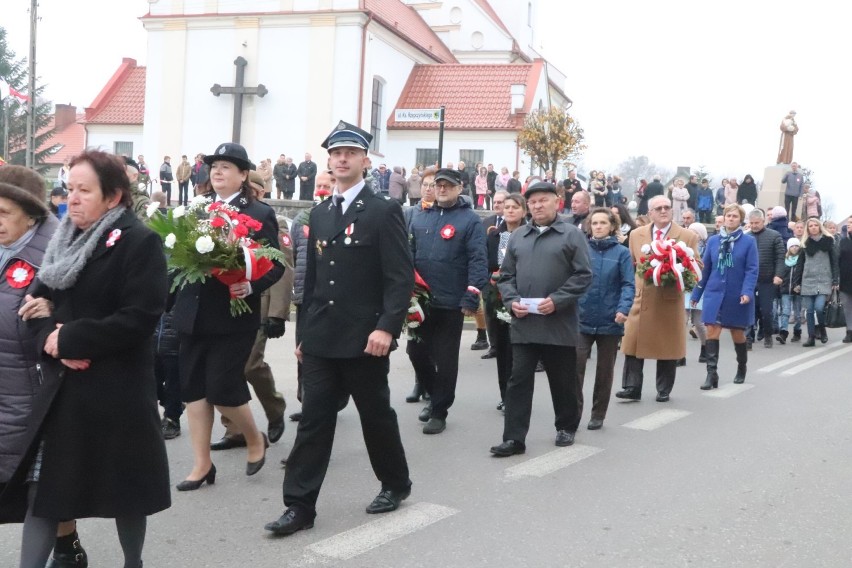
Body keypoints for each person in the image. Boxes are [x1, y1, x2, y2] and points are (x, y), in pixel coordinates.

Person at [9, 150, 170, 568]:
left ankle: (132, 561)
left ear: (113, 196)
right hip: (66, 390)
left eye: (84, 190)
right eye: (70, 188)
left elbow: (140, 317)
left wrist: (73, 339)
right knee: (46, 493)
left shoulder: (139, 240)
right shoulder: (64, 239)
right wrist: (54, 341)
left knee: (126, 494)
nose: (72, 199)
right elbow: (34, 304)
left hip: (118, 391)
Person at [264, 121, 413, 536]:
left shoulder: (384, 211)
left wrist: (386, 328)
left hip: (366, 339)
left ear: (366, 161)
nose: (342, 159)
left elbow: (398, 277)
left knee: (375, 416)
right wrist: (303, 337)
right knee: (314, 421)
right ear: (328, 161)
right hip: (322, 337)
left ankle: (395, 483)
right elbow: (312, 281)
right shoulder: (322, 212)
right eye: (336, 153)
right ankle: (299, 506)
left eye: (350, 153)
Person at [172, 143, 285, 491]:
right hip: (193, 312)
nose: (218, 172)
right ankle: (202, 465)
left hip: (231, 315)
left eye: (226, 166)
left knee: (221, 387)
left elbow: (276, 262)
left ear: (243, 174)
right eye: (214, 166)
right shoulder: (195, 208)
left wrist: (251, 286)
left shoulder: (258, 212)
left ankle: (254, 438)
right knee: (193, 389)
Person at [0, 167, 72, 564]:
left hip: (36, 392)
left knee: (38, 492)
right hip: (6, 386)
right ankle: (67, 545)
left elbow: (79, 314)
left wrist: (55, 312)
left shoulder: (53, 256)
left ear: (30, 215)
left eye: (3, 212)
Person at [489, 182, 592, 456]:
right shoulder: (518, 237)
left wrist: (557, 300)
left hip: (559, 323)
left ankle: (566, 426)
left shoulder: (571, 235)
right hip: (525, 323)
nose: (537, 206)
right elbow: (506, 276)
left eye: (543, 201)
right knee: (518, 381)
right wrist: (512, 302)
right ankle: (514, 438)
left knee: (562, 380)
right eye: (533, 202)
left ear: (557, 202)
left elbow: (583, 276)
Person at [209, 171, 292, 451]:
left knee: (249, 365)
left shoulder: (271, 219)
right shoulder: (216, 214)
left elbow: (282, 266)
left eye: (255, 190)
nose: (251, 195)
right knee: (225, 368)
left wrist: (277, 314)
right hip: (223, 302)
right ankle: (234, 430)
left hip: (258, 303)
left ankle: (274, 406)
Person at [408, 168, 488, 434]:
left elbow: (478, 260)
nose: (441, 189)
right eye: (437, 185)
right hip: (420, 301)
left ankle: (440, 410)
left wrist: (471, 295)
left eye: (447, 185)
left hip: (451, 302)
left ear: (459, 188)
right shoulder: (419, 217)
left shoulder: (470, 220)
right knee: (416, 352)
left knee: (445, 358)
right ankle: (433, 395)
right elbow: (408, 254)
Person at [616, 195, 701, 402]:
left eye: (667, 207)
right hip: (641, 298)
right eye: (659, 208)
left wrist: (678, 271)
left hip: (669, 299)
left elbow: (697, 266)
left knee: (667, 346)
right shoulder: (637, 235)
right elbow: (631, 265)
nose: (664, 211)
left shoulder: (687, 236)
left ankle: (664, 389)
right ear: (650, 213)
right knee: (632, 344)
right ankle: (631, 387)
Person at [576, 208, 634, 430]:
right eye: (595, 223)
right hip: (582, 317)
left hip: (611, 318)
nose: (598, 226)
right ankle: (573, 413)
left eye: (603, 223)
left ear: (612, 226)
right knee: (575, 368)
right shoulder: (581, 249)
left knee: (604, 370)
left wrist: (623, 309)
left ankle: (598, 413)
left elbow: (628, 284)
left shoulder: (622, 253)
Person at [691, 204, 759, 388]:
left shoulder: (748, 241)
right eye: (728, 215)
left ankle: (741, 367)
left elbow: (752, 270)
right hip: (714, 293)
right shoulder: (713, 241)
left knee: (738, 333)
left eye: (735, 216)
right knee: (712, 330)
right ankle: (711, 374)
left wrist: (747, 291)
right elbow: (705, 270)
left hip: (736, 295)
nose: (730, 219)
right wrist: (696, 293)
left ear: (740, 220)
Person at [485, 193, 527, 411]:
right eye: (507, 207)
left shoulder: (530, 235)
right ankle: (505, 396)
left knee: (519, 353)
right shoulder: (494, 236)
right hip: (499, 298)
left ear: (524, 211)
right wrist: (492, 277)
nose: (510, 210)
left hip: (523, 298)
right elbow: (485, 263)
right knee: (502, 350)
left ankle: (518, 395)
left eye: (515, 207)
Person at [402, 167, 437, 404]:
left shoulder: (443, 214)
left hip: (434, 283)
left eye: (433, 185)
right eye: (425, 185)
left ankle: (429, 385)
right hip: (414, 283)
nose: (428, 188)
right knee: (415, 336)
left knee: (431, 340)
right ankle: (418, 383)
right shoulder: (409, 213)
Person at [792, 217, 839, 346]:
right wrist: (796, 283)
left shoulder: (829, 242)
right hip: (807, 280)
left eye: (815, 225)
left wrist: (835, 279)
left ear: (819, 227)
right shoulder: (804, 244)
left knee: (819, 308)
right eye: (810, 226)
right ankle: (811, 337)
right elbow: (799, 265)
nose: (813, 227)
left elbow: (834, 262)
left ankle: (822, 331)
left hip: (824, 279)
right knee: (810, 311)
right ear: (808, 228)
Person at [747, 209, 785, 348]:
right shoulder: (747, 237)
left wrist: (778, 275)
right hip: (750, 280)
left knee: (766, 311)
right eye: (751, 223)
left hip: (767, 280)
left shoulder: (774, 235)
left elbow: (781, 257)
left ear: (763, 221)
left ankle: (768, 334)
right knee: (749, 309)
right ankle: (748, 338)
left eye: (757, 223)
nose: (754, 225)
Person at [479, 190, 510, 358]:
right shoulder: (487, 222)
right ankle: (495, 346)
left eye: (500, 202)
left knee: (507, 309)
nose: (496, 204)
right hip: (489, 275)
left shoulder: (514, 222)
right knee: (490, 310)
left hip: (508, 275)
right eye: (495, 202)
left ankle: (509, 345)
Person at [686, 222, 709, 363]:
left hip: (700, 287)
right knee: (682, 321)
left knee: (698, 323)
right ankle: (680, 354)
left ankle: (705, 348)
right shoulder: (682, 247)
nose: (691, 234)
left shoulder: (706, 249)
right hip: (685, 287)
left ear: (700, 235)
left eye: (694, 232)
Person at [777, 238, 803, 344]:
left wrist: (800, 285)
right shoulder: (784, 260)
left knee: (797, 313)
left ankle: (797, 331)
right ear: (788, 248)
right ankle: (783, 332)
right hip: (785, 290)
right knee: (785, 312)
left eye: (796, 246)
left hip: (798, 290)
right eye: (792, 246)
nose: (794, 248)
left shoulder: (801, 259)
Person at [838, 218, 852, 343]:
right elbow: (837, 260)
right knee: (847, 307)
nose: (849, 225)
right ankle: (849, 331)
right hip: (845, 279)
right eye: (848, 223)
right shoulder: (843, 242)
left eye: (851, 223)